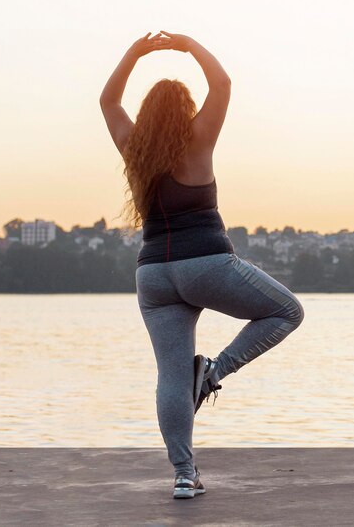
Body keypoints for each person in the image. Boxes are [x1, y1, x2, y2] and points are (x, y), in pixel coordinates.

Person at [99, 30, 305, 500]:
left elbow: (108, 100)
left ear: (148, 115)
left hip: (153, 275)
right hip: (206, 264)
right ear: (184, 110)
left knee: (171, 377)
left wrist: (134, 51)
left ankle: (184, 475)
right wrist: (189, 45)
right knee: (287, 311)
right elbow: (223, 84)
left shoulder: (133, 147)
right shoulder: (198, 136)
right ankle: (212, 372)